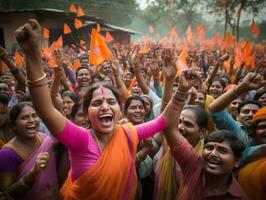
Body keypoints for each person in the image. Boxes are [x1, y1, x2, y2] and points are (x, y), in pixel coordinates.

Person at [14, 19, 192, 199]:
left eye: (111, 102)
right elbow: (45, 110)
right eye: (97, 103)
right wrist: (33, 56)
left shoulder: (129, 133)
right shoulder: (80, 139)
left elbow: (165, 120)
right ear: (87, 113)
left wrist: (179, 87)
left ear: (120, 109)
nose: (105, 106)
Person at [0, 102, 58, 199]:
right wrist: (33, 172)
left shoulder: (46, 140)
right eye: (25, 118)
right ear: (14, 125)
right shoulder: (6, 154)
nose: (31, 120)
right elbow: (6, 195)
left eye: (34, 116)